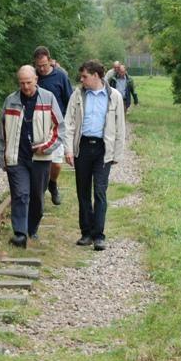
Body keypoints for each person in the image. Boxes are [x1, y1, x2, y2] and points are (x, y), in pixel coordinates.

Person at [0, 66, 64, 248]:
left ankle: (32, 229)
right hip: (17, 157)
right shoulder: (11, 100)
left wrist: (46, 147)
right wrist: (1, 156)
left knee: (37, 198)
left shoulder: (48, 98)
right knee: (20, 194)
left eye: (28, 82)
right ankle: (20, 234)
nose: (26, 87)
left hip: (41, 159)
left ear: (36, 79)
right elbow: (2, 131)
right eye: (22, 83)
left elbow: (59, 129)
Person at [64, 60, 126, 251]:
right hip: (82, 147)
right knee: (83, 191)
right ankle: (86, 233)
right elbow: (69, 123)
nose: (81, 80)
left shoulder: (113, 96)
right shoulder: (78, 95)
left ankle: (99, 234)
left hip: (102, 149)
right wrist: (68, 149)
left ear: (96, 76)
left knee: (99, 191)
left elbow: (120, 127)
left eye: (85, 76)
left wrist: (116, 153)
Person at [33, 46, 72, 206]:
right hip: (38, 124)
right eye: (38, 65)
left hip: (57, 125)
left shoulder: (60, 76)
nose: (41, 68)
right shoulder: (34, 76)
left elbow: (69, 99)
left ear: (50, 60)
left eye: (44, 64)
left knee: (56, 163)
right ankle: (39, 195)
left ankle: (53, 183)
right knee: (41, 161)